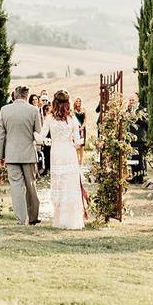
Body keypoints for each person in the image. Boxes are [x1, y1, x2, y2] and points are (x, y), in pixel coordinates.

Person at [0, 85, 42, 226]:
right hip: (28, 154)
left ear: (15, 95)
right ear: (26, 96)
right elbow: (38, 132)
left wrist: (0, 156)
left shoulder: (4, 110)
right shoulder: (33, 110)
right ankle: (33, 217)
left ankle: (21, 219)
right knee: (31, 186)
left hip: (11, 154)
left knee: (16, 187)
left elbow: (1, 136)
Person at [39, 90, 85, 230]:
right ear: (68, 103)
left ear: (54, 102)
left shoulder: (49, 118)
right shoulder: (72, 119)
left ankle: (60, 220)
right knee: (70, 185)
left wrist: (39, 137)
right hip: (69, 152)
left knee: (59, 185)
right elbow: (78, 142)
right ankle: (72, 220)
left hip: (56, 152)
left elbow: (41, 138)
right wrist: (82, 139)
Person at [126, 93, 148, 184]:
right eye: (130, 100)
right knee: (133, 158)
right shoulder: (128, 110)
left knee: (139, 158)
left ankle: (140, 178)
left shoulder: (142, 109)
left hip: (139, 138)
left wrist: (136, 119)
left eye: (133, 100)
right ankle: (134, 177)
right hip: (131, 138)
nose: (131, 102)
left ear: (137, 100)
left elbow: (146, 123)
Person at [40, 94, 52, 175]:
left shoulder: (51, 117)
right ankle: (45, 168)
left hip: (50, 135)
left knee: (49, 153)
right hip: (44, 135)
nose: (47, 110)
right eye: (45, 109)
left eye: (48, 109)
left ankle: (49, 168)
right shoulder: (42, 116)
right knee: (44, 153)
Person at [73, 97, 87, 165]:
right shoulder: (73, 110)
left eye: (79, 101)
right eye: (77, 101)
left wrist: (83, 126)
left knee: (82, 145)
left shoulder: (83, 109)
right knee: (76, 145)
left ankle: (81, 161)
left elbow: (85, 119)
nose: (78, 102)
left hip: (82, 129)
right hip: (76, 129)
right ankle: (76, 159)